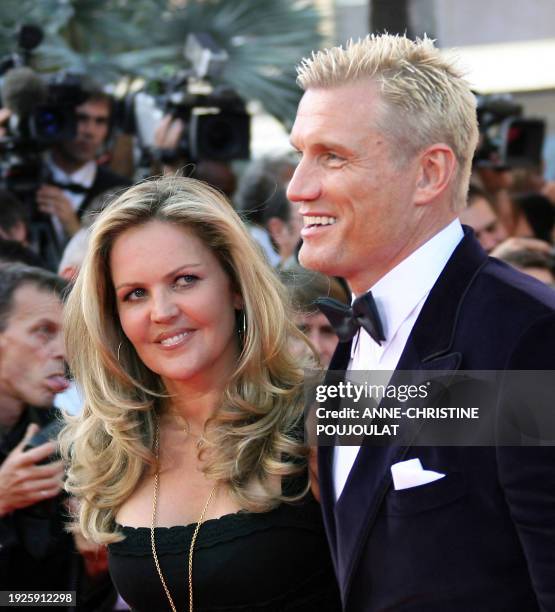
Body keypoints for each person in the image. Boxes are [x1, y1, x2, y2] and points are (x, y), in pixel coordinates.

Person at [287, 34, 555, 611]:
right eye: (299, 154)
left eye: (332, 156)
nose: (298, 187)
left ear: (430, 173)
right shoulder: (354, 338)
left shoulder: (528, 339)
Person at [60, 176, 340, 611]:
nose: (163, 312)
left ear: (235, 287)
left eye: (186, 280)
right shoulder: (112, 443)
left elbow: (478, 409)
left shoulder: (326, 406)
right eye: (135, 294)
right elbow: (38, 598)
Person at [0, 263, 72, 592]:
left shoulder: (59, 433)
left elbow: (52, 596)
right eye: (44, 330)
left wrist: (98, 565)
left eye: (67, 335)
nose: (63, 352)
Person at [34, 77, 130, 246]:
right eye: (81, 118)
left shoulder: (123, 193)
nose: (90, 131)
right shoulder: (22, 178)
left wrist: (75, 231)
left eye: (100, 121)